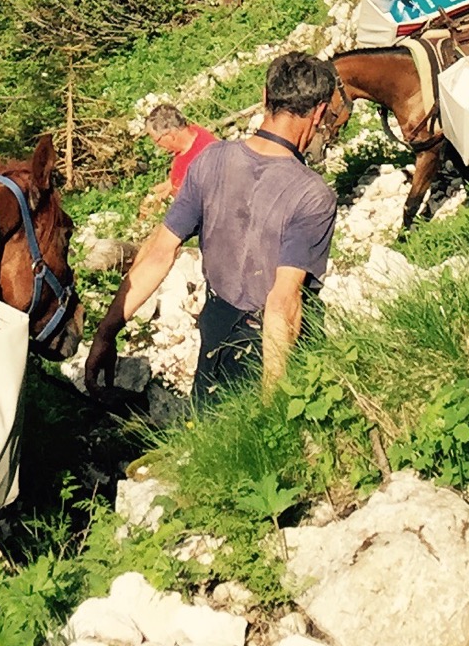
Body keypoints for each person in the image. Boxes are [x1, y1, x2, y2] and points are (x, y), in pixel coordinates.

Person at [84, 51, 339, 404]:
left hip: (216, 328)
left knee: (209, 429)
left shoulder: (211, 161)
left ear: (265, 98)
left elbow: (159, 252)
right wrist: (275, 406)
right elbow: (283, 301)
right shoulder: (313, 195)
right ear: (321, 112)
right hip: (272, 348)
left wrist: (105, 334)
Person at [136, 100, 218, 226]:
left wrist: (159, 206)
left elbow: (192, 202)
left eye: (157, 140)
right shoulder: (192, 134)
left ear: (171, 135)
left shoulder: (203, 156)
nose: (158, 145)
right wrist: (153, 194)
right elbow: (176, 181)